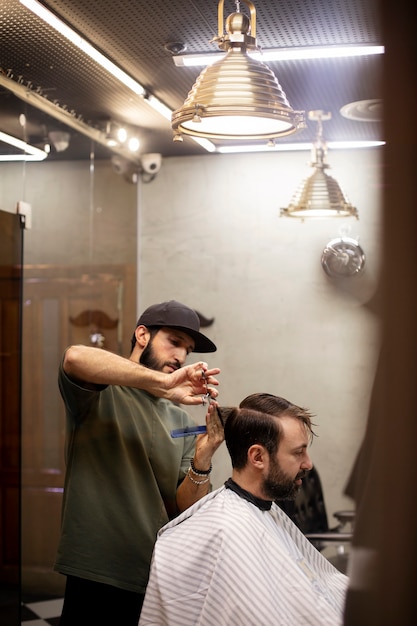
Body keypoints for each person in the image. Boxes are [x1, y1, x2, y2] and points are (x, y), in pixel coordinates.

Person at [54, 300, 224, 625]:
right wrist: (164, 385)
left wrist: (204, 457)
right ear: (142, 335)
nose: (181, 357)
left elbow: (182, 506)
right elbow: (74, 358)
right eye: (174, 342)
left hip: (153, 571)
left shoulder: (180, 419)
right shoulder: (102, 393)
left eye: (187, 350)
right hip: (97, 571)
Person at [139, 393, 349, 626]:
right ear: (258, 456)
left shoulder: (263, 513)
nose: (308, 464)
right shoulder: (226, 529)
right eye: (298, 452)